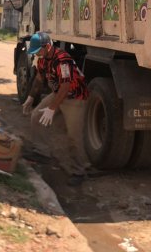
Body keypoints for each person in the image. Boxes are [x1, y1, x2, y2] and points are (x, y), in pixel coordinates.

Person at [21, 31, 90, 186]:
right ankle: (42, 152)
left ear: (47, 46)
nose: (36, 54)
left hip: (74, 97)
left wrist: (52, 109)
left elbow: (66, 86)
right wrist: (30, 98)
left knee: (74, 136)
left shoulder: (62, 60)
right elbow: (39, 79)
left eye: (38, 51)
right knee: (36, 117)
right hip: (59, 93)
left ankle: (79, 171)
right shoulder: (42, 59)